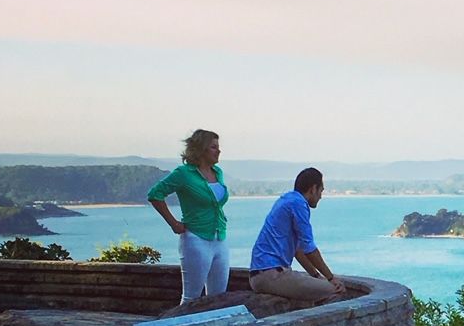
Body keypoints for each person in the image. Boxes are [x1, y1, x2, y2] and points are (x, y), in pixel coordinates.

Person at [146, 129, 230, 304]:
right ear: (201, 149)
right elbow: (155, 194)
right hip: (195, 239)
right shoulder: (184, 173)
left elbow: (215, 203)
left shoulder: (218, 172)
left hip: (219, 238)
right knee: (191, 297)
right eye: (213, 147)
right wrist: (173, 223)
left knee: (218, 297)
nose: (218, 151)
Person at [248, 168, 348, 301]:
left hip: (260, 275)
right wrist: (331, 278)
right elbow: (309, 249)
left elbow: (298, 250)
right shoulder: (299, 204)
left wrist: (316, 275)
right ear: (313, 189)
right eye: (321, 191)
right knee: (336, 291)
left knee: (316, 288)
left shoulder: (288, 199)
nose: (321, 196)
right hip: (272, 274)